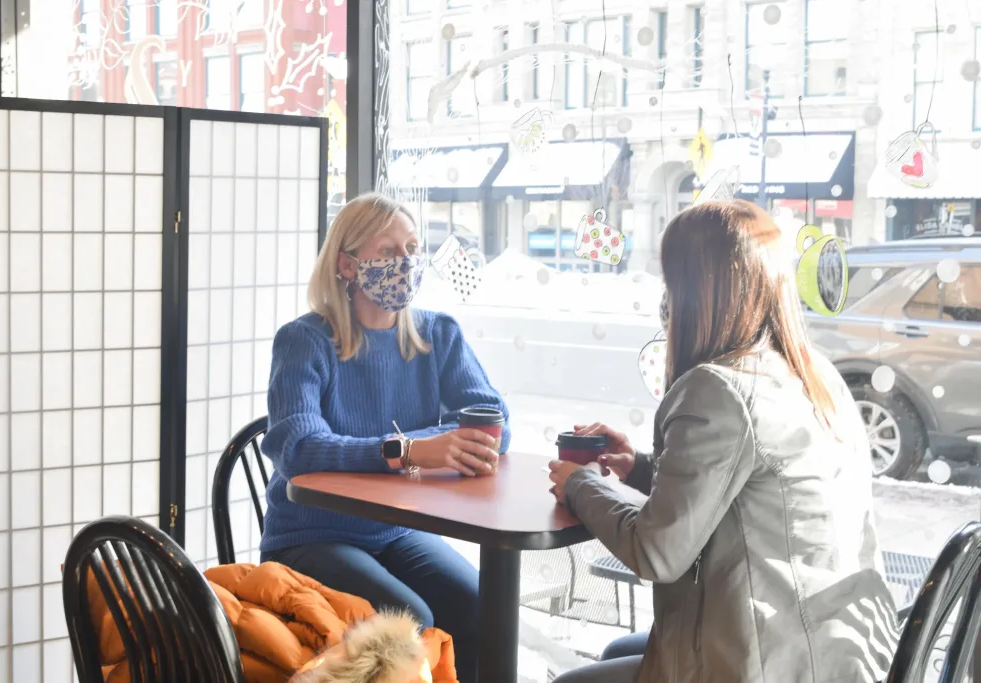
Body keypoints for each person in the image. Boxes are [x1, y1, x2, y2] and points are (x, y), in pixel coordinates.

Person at [548, 200, 900, 683]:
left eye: (671, 283)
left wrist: (580, 484)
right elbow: (747, 492)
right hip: (831, 654)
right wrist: (639, 467)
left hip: (767, 665)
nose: (666, 301)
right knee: (619, 650)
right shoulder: (813, 372)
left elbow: (657, 552)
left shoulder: (719, 389)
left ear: (696, 291)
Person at [259, 192, 510, 683]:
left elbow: (493, 423)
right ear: (347, 265)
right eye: (389, 250)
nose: (406, 262)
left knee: (480, 604)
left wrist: (434, 444)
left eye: (412, 248)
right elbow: (298, 449)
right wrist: (411, 451)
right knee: (412, 618)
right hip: (311, 535)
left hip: (397, 529)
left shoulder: (438, 334)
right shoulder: (304, 341)